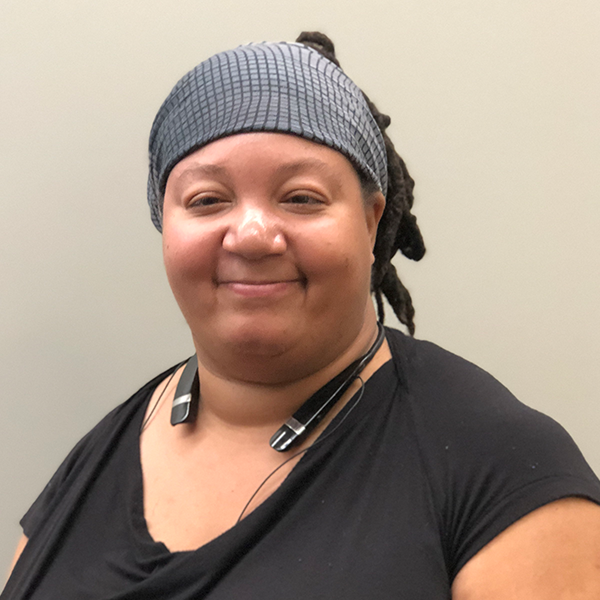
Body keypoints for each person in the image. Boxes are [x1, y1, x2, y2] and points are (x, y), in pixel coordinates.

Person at [3, 32, 600, 600]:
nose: (254, 235)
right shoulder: (93, 462)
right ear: (166, 227)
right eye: (207, 200)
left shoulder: (501, 471)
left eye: (301, 198)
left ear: (372, 221)